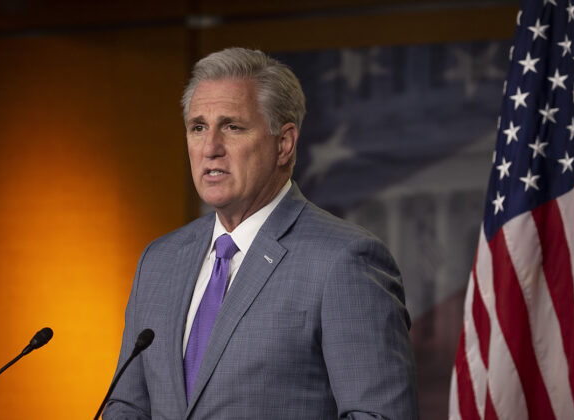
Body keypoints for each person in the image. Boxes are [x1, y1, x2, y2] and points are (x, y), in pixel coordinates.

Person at [103, 47, 418, 419]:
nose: (210, 148)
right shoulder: (159, 261)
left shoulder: (344, 261)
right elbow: (126, 407)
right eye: (198, 127)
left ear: (283, 144)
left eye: (232, 127)